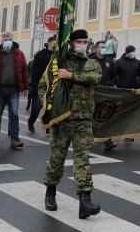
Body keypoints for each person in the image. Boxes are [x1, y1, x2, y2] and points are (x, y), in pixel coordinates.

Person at [40, 29, 102, 219]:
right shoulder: (59, 61)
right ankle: (50, 191)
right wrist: (49, 107)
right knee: (57, 159)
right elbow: (43, 85)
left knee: (83, 159)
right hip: (63, 119)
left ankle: (85, 200)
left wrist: (71, 75)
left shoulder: (90, 62)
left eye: (85, 41)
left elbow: (95, 78)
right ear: (72, 42)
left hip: (83, 119)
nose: (83, 44)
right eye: (80, 41)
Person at [0, 32, 29, 149]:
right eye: (5, 39)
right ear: (1, 41)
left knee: (14, 113)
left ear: (12, 40)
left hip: (14, 89)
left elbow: (24, 71)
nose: (7, 41)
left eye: (9, 39)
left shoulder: (19, 54)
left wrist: (25, 87)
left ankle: (15, 138)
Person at [90, 39, 117, 150]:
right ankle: (89, 139)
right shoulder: (90, 61)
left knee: (106, 117)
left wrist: (112, 85)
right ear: (96, 49)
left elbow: (113, 76)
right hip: (93, 93)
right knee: (92, 117)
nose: (104, 49)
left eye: (105, 47)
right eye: (102, 47)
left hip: (106, 92)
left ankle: (107, 141)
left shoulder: (109, 61)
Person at [28, 36, 55, 134]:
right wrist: (34, 85)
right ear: (49, 43)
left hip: (53, 86)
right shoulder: (40, 54)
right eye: (54, 42)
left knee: (51, 108)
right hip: (40, 86)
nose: (55, 44)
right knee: (37, 107)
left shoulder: (58, 55)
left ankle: (49, 126)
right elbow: (35, 71)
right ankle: (31, 122)